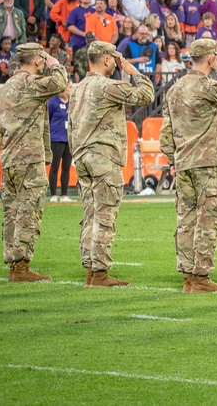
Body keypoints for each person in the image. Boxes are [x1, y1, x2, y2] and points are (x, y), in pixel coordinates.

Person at [160, 38, 217, 294]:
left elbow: (165, 133)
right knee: (209, 220)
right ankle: (201, 276)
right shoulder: (209, 86)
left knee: (186, 219)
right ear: (211, 58)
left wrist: (173, 160)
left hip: (184, 164)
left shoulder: (174, 89)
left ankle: (188, 275)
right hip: (208, 162)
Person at [68, 41, 154, 287]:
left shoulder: (78, 88)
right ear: (106, 60)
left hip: (83, 156)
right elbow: (146, 96)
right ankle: (100, 272)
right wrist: (134, 72)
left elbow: (71, 125)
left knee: (90, 214)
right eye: (114, 59)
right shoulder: (107, 86)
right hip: (103, 157)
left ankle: (90, 269)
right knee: (105, 215)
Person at [0, 42, 69, 282]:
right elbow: (59, 84)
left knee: (12, 211)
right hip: (28, 158)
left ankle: (13, 263)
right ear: (37, 60)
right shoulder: (29, 83)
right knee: (29, 210)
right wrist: (55, 63)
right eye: (43, 57)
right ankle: (22, 266)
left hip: (10, 158)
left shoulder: (6, 87)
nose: (45, 60)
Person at [47, 83, 74, 202]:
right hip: (56, 139)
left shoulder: (72, 103)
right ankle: (53, 194)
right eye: (69, 87)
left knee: (66, 168)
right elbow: (48, 119)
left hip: (68, 139)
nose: (71, 90)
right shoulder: (53, 102)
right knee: (54, 167)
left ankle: (64, 194)